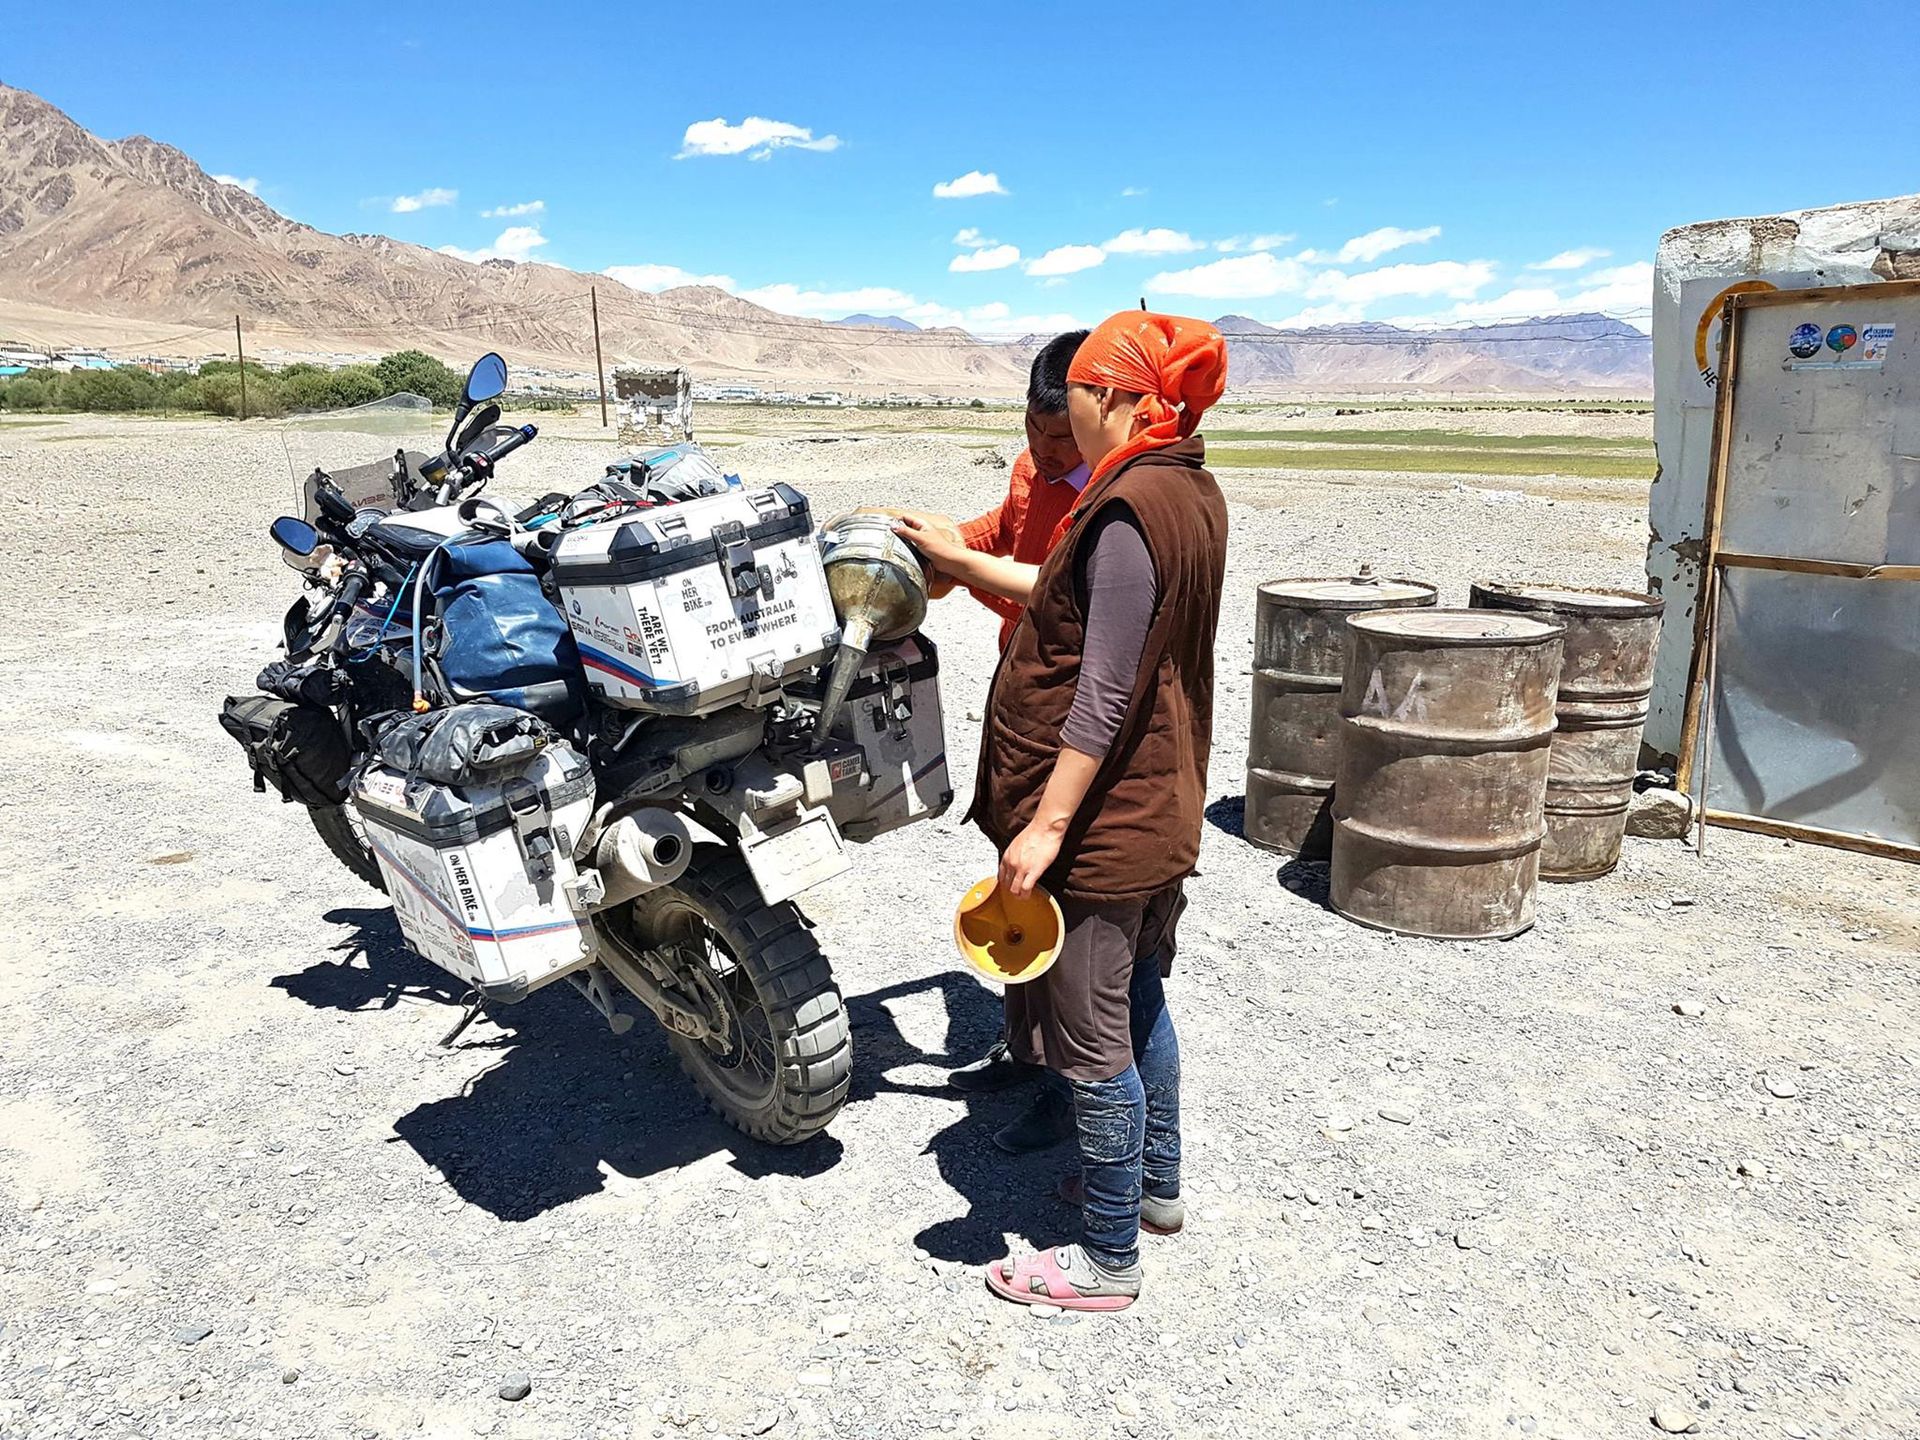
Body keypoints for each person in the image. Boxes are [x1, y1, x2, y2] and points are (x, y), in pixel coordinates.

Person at [895, 310, 1229, 1313]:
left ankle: (1106, 1259)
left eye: (1081, 394)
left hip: (1102, 826)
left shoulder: (1127, 512)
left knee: (1092, 1043)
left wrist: (1043, 829)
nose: (1069, 417)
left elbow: (1106, 690)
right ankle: (1153, 1192)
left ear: (1121, 398)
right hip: (1155, 803)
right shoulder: (1188, 485)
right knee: (1139, 1004)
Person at [907, 329, 1092, 1158]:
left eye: (1064, 440)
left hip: (1072, 709)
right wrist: (935, 551)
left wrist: (961, 568)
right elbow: (1003, 531)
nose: (1047, 454)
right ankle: (1024, 1050)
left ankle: (1067, 1083)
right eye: (1034, 432)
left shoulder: (1110, 501)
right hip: (1017, 696)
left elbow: (1052, 591)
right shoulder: (1034, 471)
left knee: (1060, 895)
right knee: (1011, 878)